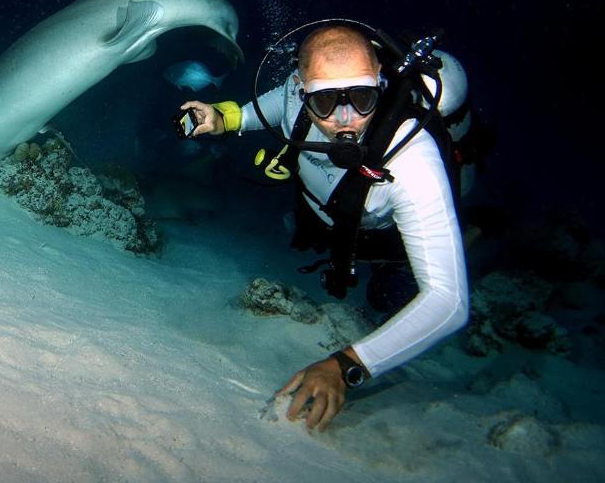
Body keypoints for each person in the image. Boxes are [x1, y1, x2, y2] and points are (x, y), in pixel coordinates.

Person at [180, 23, 469, 431]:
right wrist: (223, 118)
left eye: (363, 97)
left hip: (385, 238)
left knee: (388, 295)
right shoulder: (292, 96)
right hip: (327, 216)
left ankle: (470, 235)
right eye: (325, 100)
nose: (345, 119)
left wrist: (348, 365)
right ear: (300, 89)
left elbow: (449, 302)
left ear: (380, 82)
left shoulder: (412, 161)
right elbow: (266, 110)